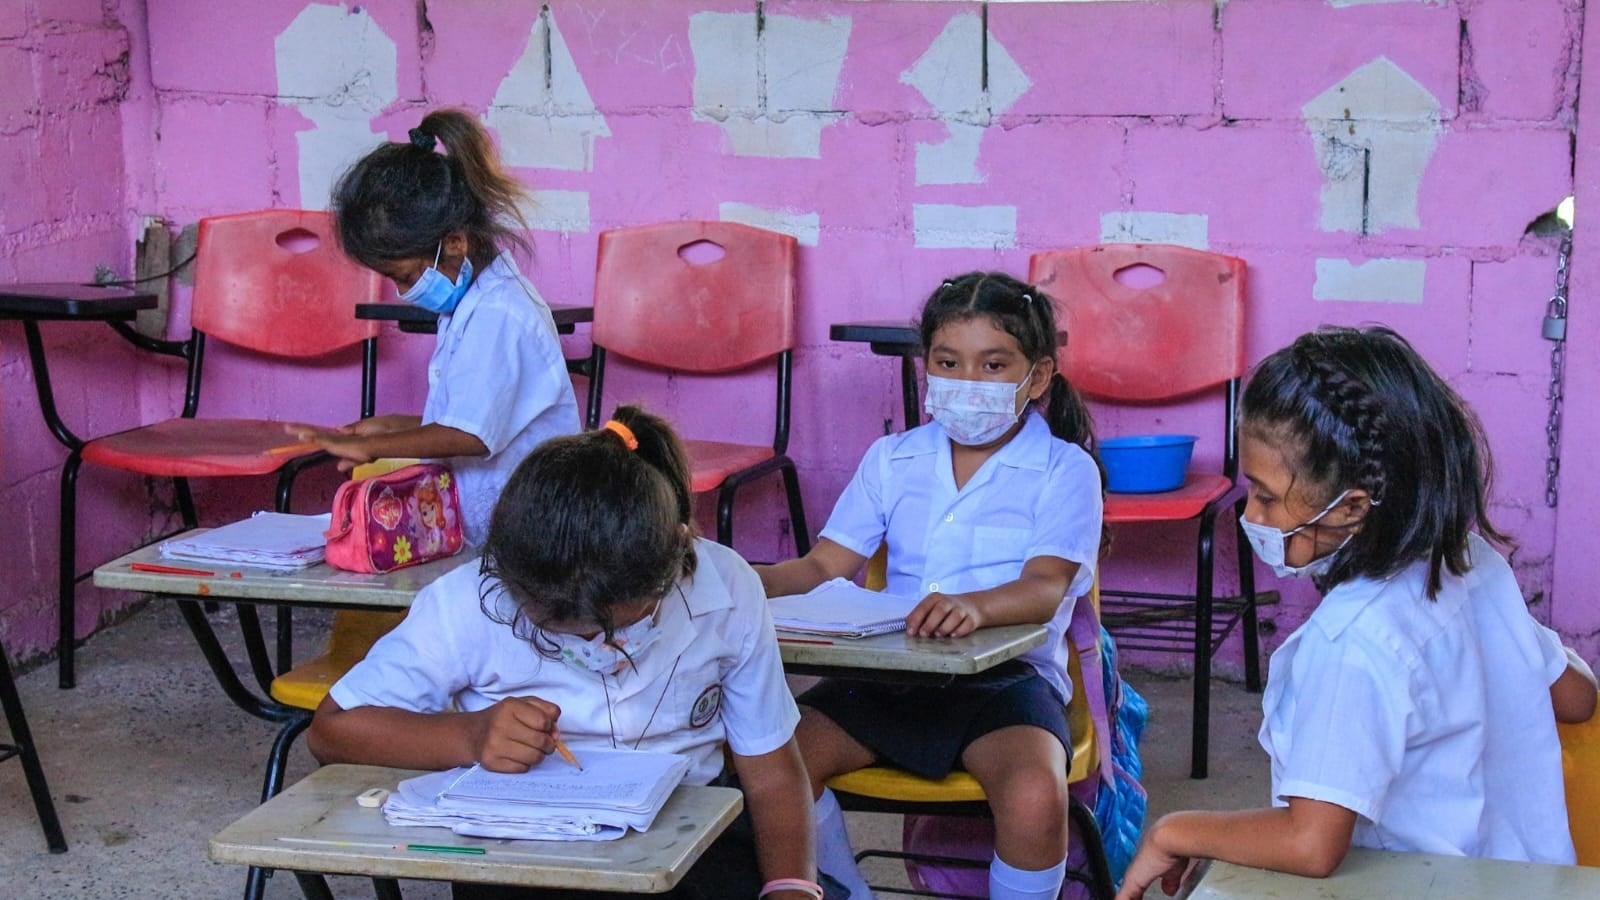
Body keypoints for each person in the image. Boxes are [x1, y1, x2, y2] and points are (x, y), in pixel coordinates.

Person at [1116, 326, 1600, 900]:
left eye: (1266, 496)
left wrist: (1178, 831)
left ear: (1350, 509)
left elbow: (1311, 845)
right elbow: (1579, 699)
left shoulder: (1352, 642)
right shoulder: (1471, 563)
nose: (1253, 515)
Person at [308, 406, 835, 900]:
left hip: (689, 843)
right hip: (520, 856)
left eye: (619, 627)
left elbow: (770, 769)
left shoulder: (726, 587)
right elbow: (332, 730)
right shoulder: (467, 601)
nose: (597, 648)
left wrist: (790, 889)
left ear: (678, 556)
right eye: (556, 628)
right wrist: (467, 736)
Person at [756, 272, 1105, 900]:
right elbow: (818, 568)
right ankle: (843, 892)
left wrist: (973, 607)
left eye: (994, 364)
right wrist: (737, 580)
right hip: (890, 674)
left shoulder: (1064, 469)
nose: (968, 382)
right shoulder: (893, 458)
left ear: (1039, 376)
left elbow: (1047, 587)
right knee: (778, 761)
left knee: (1033, 793)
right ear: (927, 367)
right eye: (948, 362)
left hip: (1007, 682)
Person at [289, 107, 579, 545]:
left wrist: (374, 448)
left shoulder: (500, 315)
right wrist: (391, 427)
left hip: (530, 531)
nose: (405, 291)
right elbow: (480, 413)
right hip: (492, 525)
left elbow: (471, 434)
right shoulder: (471, 305)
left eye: (405, 276)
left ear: (456, 243)